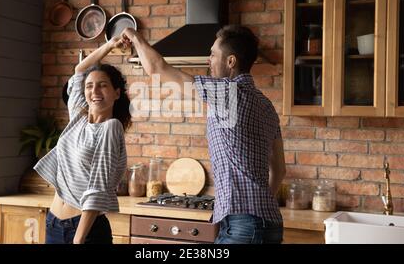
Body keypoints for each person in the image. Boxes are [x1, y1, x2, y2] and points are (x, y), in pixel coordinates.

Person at [121, 25, 286, 244]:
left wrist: (133, 36)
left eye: (213, 54)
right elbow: (279, 170)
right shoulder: (266, 106)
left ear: (231, 62)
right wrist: (260, 205)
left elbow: (157, 68)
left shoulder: (226, 92)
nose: (209, 60)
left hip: (244, 228)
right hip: (268, 223)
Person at [34, 36, 131, 244]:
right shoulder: (78, 117)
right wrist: (110, 45)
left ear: (116, 93)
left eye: (102, 85)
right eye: (89, 86)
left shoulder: (111, 128)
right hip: (53, 224)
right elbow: (79, 70)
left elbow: (99, 188)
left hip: (83, 233)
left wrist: (78, 240)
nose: (94, 91)